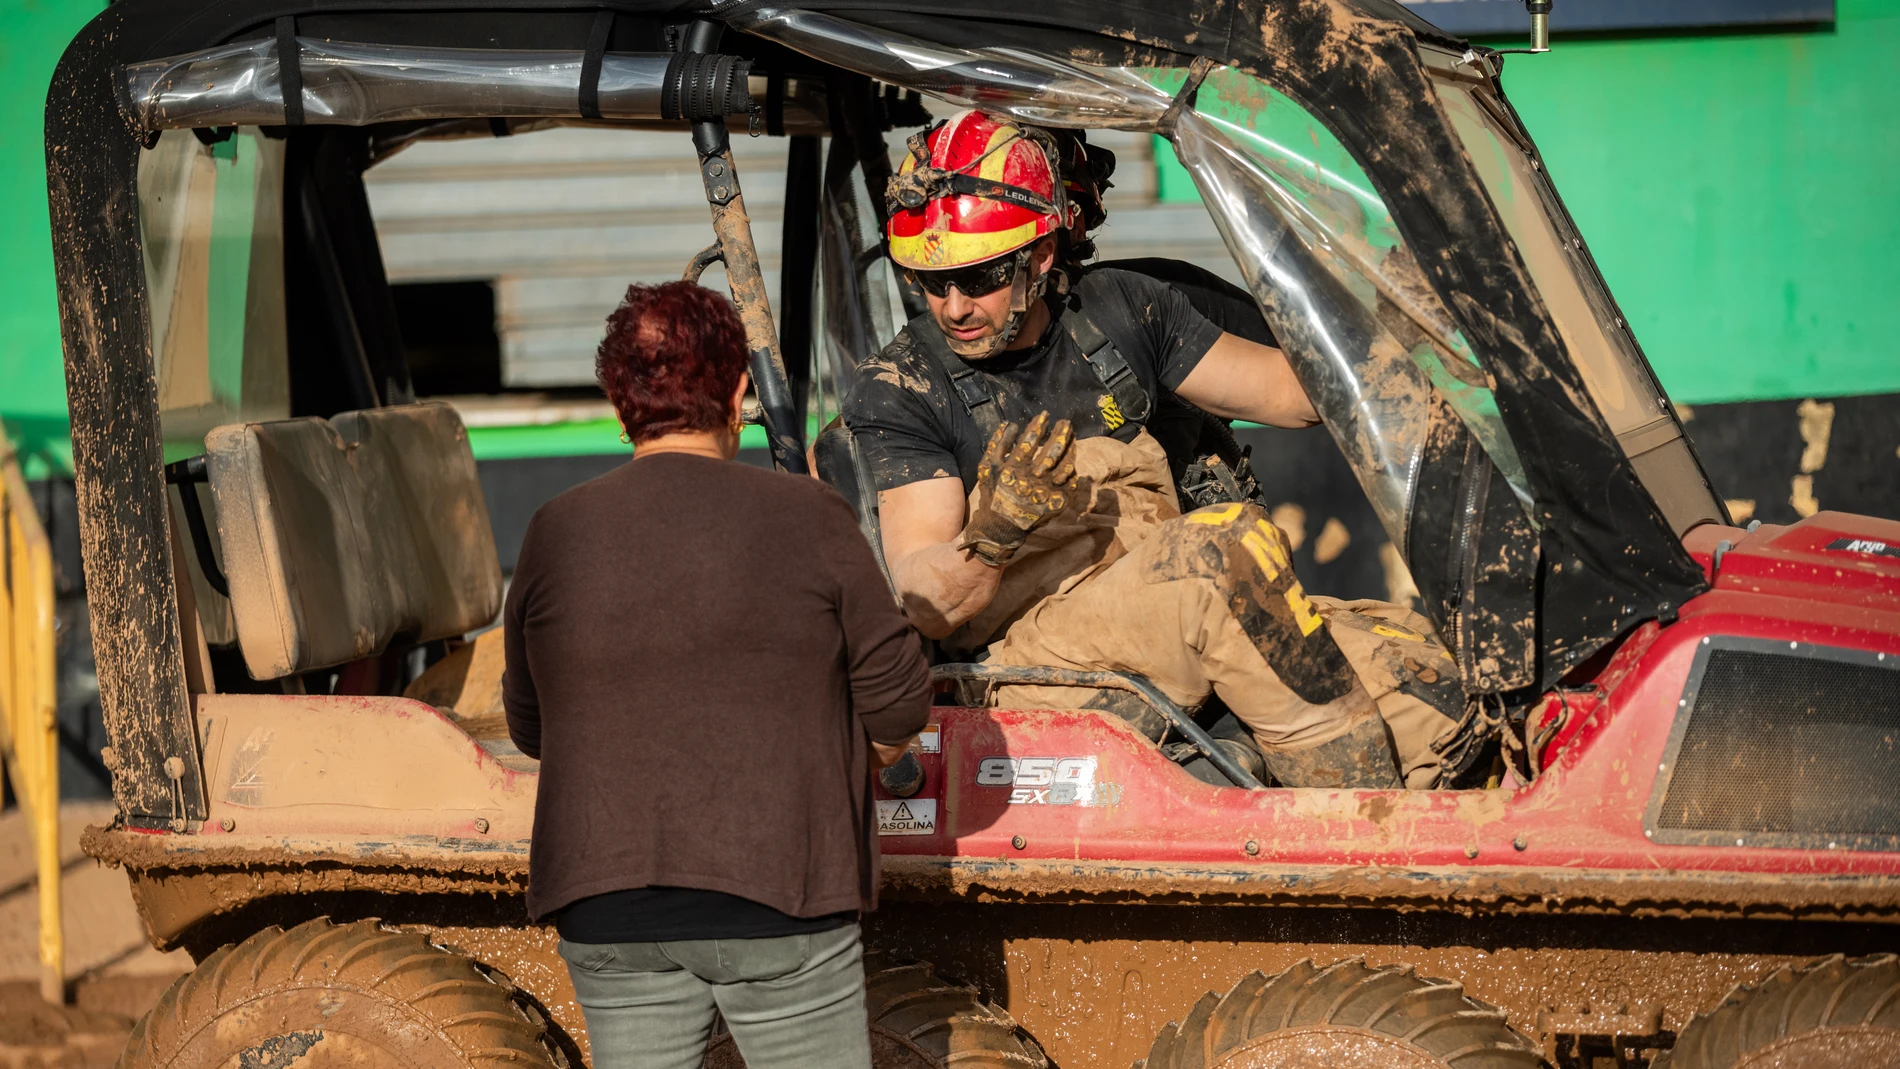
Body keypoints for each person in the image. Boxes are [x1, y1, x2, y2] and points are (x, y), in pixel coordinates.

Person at [843, 109, 1457, 789]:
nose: (954, 306)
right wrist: (991, 536)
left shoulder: (1122, 310)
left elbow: (1295, 397)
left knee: (1417, 676)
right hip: (1030, 658)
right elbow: (922, 598)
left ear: (1042, 255)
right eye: (932, 282)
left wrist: (1398, 326)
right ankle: (1351, 831)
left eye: (982, 277)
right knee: (1216, 552)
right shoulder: (902, 387)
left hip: (1168, 612)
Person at [504, 281, 931, 1069]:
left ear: (617, 398)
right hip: (780, 894)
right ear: (740, 393)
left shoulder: (552, 529)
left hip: (606, 904)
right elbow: (900, 703)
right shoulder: (809, 513)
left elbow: (532, 727)